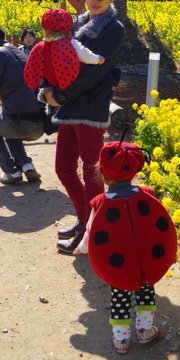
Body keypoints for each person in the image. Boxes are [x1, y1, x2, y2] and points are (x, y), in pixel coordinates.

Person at [73, 139, 178, 354]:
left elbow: (91, 231)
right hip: (147, 262)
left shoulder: (100, 203)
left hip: (119, 266)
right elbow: (160, 227)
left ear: (102, 174)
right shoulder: (148, 194)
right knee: (146, 293)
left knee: (119, 299)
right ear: (136, 170)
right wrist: (170, 252)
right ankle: (145, 331)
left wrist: (83, 248)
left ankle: (121, 340)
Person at [39, 0, 124, 252]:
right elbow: (49, 52)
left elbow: (96, 73)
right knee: (63, 168)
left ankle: (94, 231)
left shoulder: (114, 28)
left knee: (91, 170)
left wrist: (61, 96)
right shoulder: (75, 23)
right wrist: (46, 90)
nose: (95, 1)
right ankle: (84, 220)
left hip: (90, 106)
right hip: (69, 106)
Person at [24, 8, 105, 93]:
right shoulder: (71, 43)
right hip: (72, 82)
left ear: (45, 29)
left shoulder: (40, 46)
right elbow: (85, 55)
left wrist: (32, 83)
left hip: (52, 83)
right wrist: (97, 59)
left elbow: (32, 65)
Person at [0, 27, 43, 184]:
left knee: (7, 121)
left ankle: (11, 171)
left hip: (19, 121)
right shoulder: (16, 51)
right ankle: (26, 165)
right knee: (7, 125)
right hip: (39, 121)